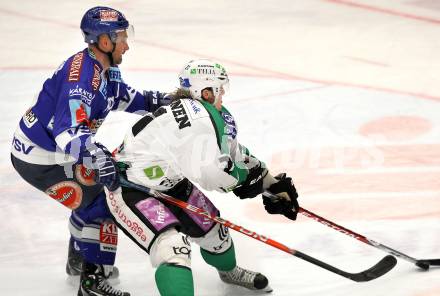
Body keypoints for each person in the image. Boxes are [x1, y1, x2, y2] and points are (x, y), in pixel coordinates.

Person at [10, 6, 171, 296]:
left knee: (95, 192)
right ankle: (91, 281)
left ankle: (79, 259)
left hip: (51, 151)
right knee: (105, 199)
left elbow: (122, 97)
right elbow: (66, 132)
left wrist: (160, 101)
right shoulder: (82, 80)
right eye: (121, 37)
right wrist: (97, 158)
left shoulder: (104, 69)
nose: (127, 44)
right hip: (39, 156)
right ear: (105, 42)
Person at [107, 59, 300, 295]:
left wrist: (270, 182)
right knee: (173, 248)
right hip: (132, 190)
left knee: (215, 232)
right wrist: (247, 181)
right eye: (221, 90)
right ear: (206, 91)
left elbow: (232, 153)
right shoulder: (197, 120)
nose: (223, 97)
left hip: (171, 184)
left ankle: (229, 272)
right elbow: (213, 176)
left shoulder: (204, 113)